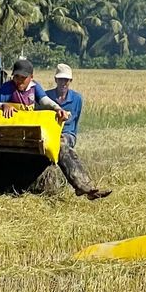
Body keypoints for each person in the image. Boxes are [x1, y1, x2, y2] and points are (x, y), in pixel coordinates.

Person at [46, 63, 111, 200]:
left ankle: (85, 187)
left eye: (66, 80)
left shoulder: (77, 99)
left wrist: (71, 137)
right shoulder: (46, 97)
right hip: (49, 134)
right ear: (55, 80)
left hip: (67, 134)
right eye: (60, 79)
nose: (63, 83)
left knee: (61, 145)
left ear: (70, 81)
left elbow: (75, 122)